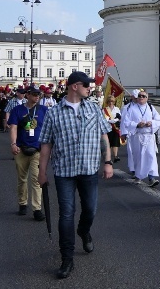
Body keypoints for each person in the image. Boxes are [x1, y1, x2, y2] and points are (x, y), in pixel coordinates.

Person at [38, 71, 113, 279]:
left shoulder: (93, 107)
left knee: (90, 209)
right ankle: (67, 258)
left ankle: (84, 230)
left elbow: (103, 135)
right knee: (66, 214)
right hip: (64, 171)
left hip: (89, 169)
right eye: (86, 85)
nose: (90, 88)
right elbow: (46, 144)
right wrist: (41, 172)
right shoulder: (54, 113)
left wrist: (107, 161)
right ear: (74, 86)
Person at [8, 85, 48, 221]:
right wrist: (13, 144)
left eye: (39, 94)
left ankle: (37, 208)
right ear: (27, 95)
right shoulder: (17, 110)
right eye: (34, 94)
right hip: (21, 149)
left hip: (37, 150)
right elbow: (13, 127)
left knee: (36, 180)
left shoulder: (44, 110)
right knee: (22, 179)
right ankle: (22, 203)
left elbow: (49, 129)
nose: (37, 96)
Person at [121, 89, 160, 186]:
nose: (141, 98)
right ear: (137, 98)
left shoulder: (151, 108)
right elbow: (126, 122)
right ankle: (138, 176)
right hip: (137, 136)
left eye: (143, 96)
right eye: (140, 96)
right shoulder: (131, 109)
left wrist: (151, 123)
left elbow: (159, 120)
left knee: (150, 156)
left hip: (148, 136)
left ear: (147, 98)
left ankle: (151, 178)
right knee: (138, 157)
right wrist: (137, 125)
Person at [102, 95, 122, 162]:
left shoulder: (117, 109)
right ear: (108, 102)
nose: (111, 103)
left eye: (112, 101)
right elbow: (104, 119)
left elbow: (119, 117)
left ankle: (115, 156)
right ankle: (108, 157)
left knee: (115, 142)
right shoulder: (104, 109)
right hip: (108, 128)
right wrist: (111, 120)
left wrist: (116, 120)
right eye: (110, 101)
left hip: (115, 127)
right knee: (108, 143)